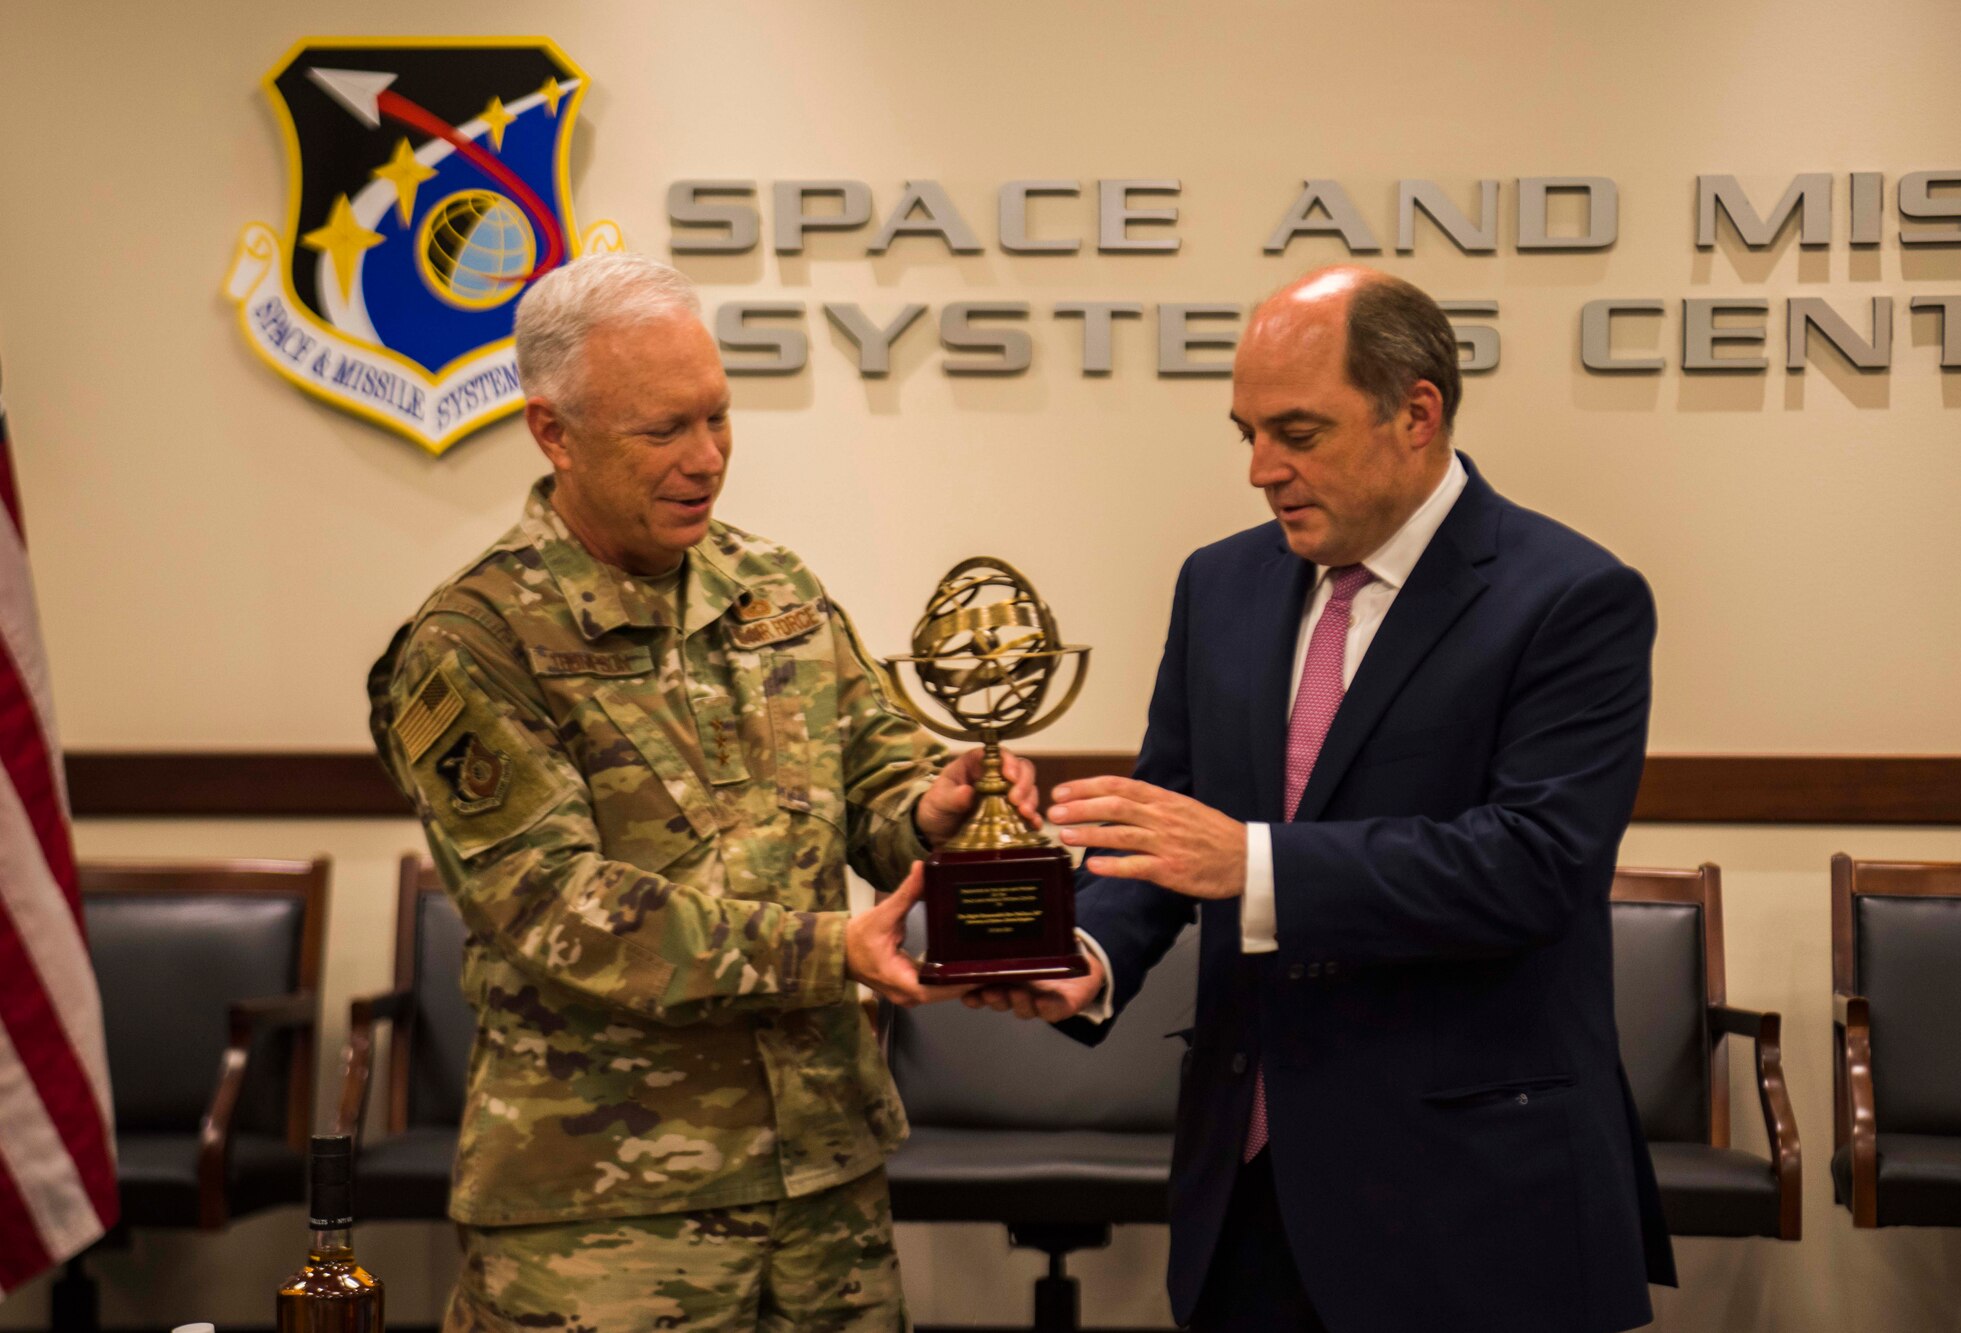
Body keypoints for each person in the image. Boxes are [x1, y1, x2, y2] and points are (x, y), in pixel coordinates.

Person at [970, 266, 1677, 1332]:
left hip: (1466, 1200)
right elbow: (1171, 813)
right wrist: (1091, 955)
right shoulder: (1221, 582)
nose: (1261, 469)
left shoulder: (1569, 597)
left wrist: (1251, 865)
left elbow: (1532, 868)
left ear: (1416, 412)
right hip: (1244, 1187)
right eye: (1245, 432)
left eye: (1297, 431)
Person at [366, 253, 1028, 1333]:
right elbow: (551, 905)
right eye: (663, 430)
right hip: (603, 1210)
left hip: (822, 1180)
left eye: (717, 419)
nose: (706, 459)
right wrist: (830, 950)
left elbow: (873, 774)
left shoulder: (774, 589)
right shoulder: (474, 645)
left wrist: (934, 809)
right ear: (553, 432)